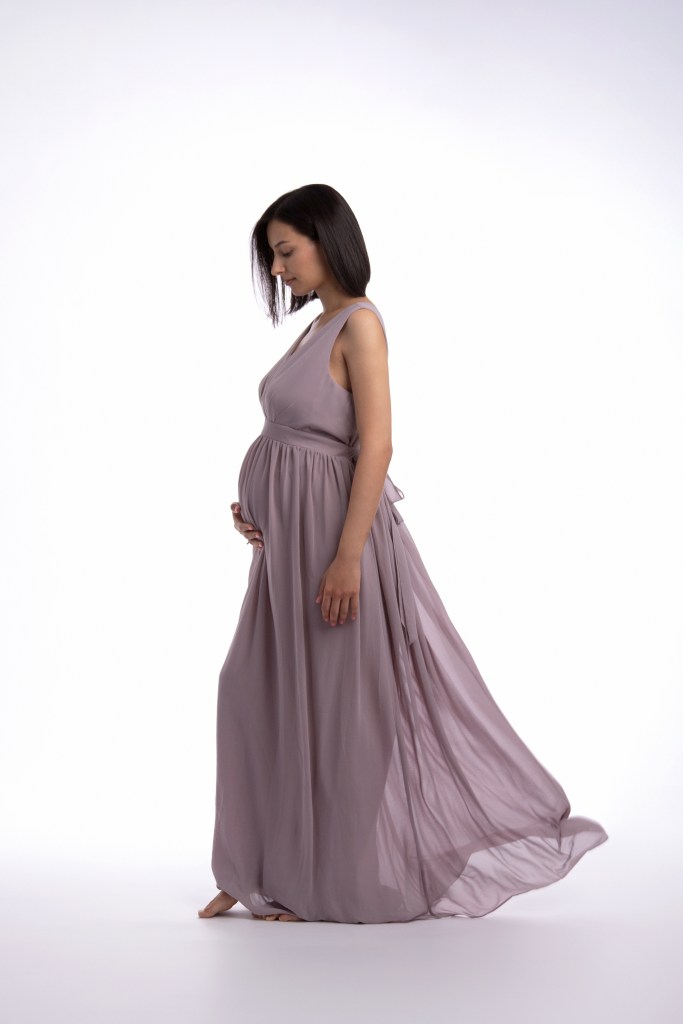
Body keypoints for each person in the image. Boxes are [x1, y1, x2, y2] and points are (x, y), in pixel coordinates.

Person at [198, 184, 608, 925]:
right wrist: (257, 508)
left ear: (328, 241)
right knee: (253, 692)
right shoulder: (313, 328)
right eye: (272, 258)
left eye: (286, 252)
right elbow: (294, 439)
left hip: (335, 546)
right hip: (288, 551)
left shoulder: (360, 324)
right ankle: (255, 864)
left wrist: (346, 557)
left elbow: (377, 445)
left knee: (340, 716)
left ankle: (320, 882)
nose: (278, 269)